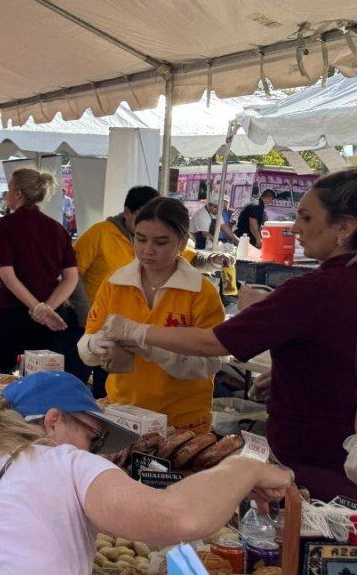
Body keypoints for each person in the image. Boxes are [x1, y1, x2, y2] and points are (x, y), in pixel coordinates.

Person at [0, 371, 293, 575]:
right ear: (54, 421)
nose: (98, 452)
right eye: (93, 437)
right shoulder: (66, 461)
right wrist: (244, 468)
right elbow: (176, 520)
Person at [100, 169, 357, 500]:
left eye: (306, 217)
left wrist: (139, 333)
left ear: (345, 227)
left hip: (320, 459)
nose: (294, 227)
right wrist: (289, 371)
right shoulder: (116, 282)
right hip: (128, 408)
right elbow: (337, 350)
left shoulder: (311, 289)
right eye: (140, 239)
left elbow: (213, 344)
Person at [79, 197, 225, 432]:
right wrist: (95, 345)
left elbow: (209, 364)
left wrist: (153, 349)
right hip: (123, 413)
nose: (148, 250)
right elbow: (86, 347)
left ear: (182, 241)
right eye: (141, 239)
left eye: (161, 242)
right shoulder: (115, 284)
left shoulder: (200, 292)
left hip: (181, 422)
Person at [0, 168, 85, 380]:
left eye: (10, 189)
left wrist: (38, 308)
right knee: (44, 381)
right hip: (50, 318)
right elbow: (71, 278)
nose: (8, 195)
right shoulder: (57, 229)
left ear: (18, 193)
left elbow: (7, 274)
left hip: (11, 313)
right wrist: (46, 307)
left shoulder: (4, 226)